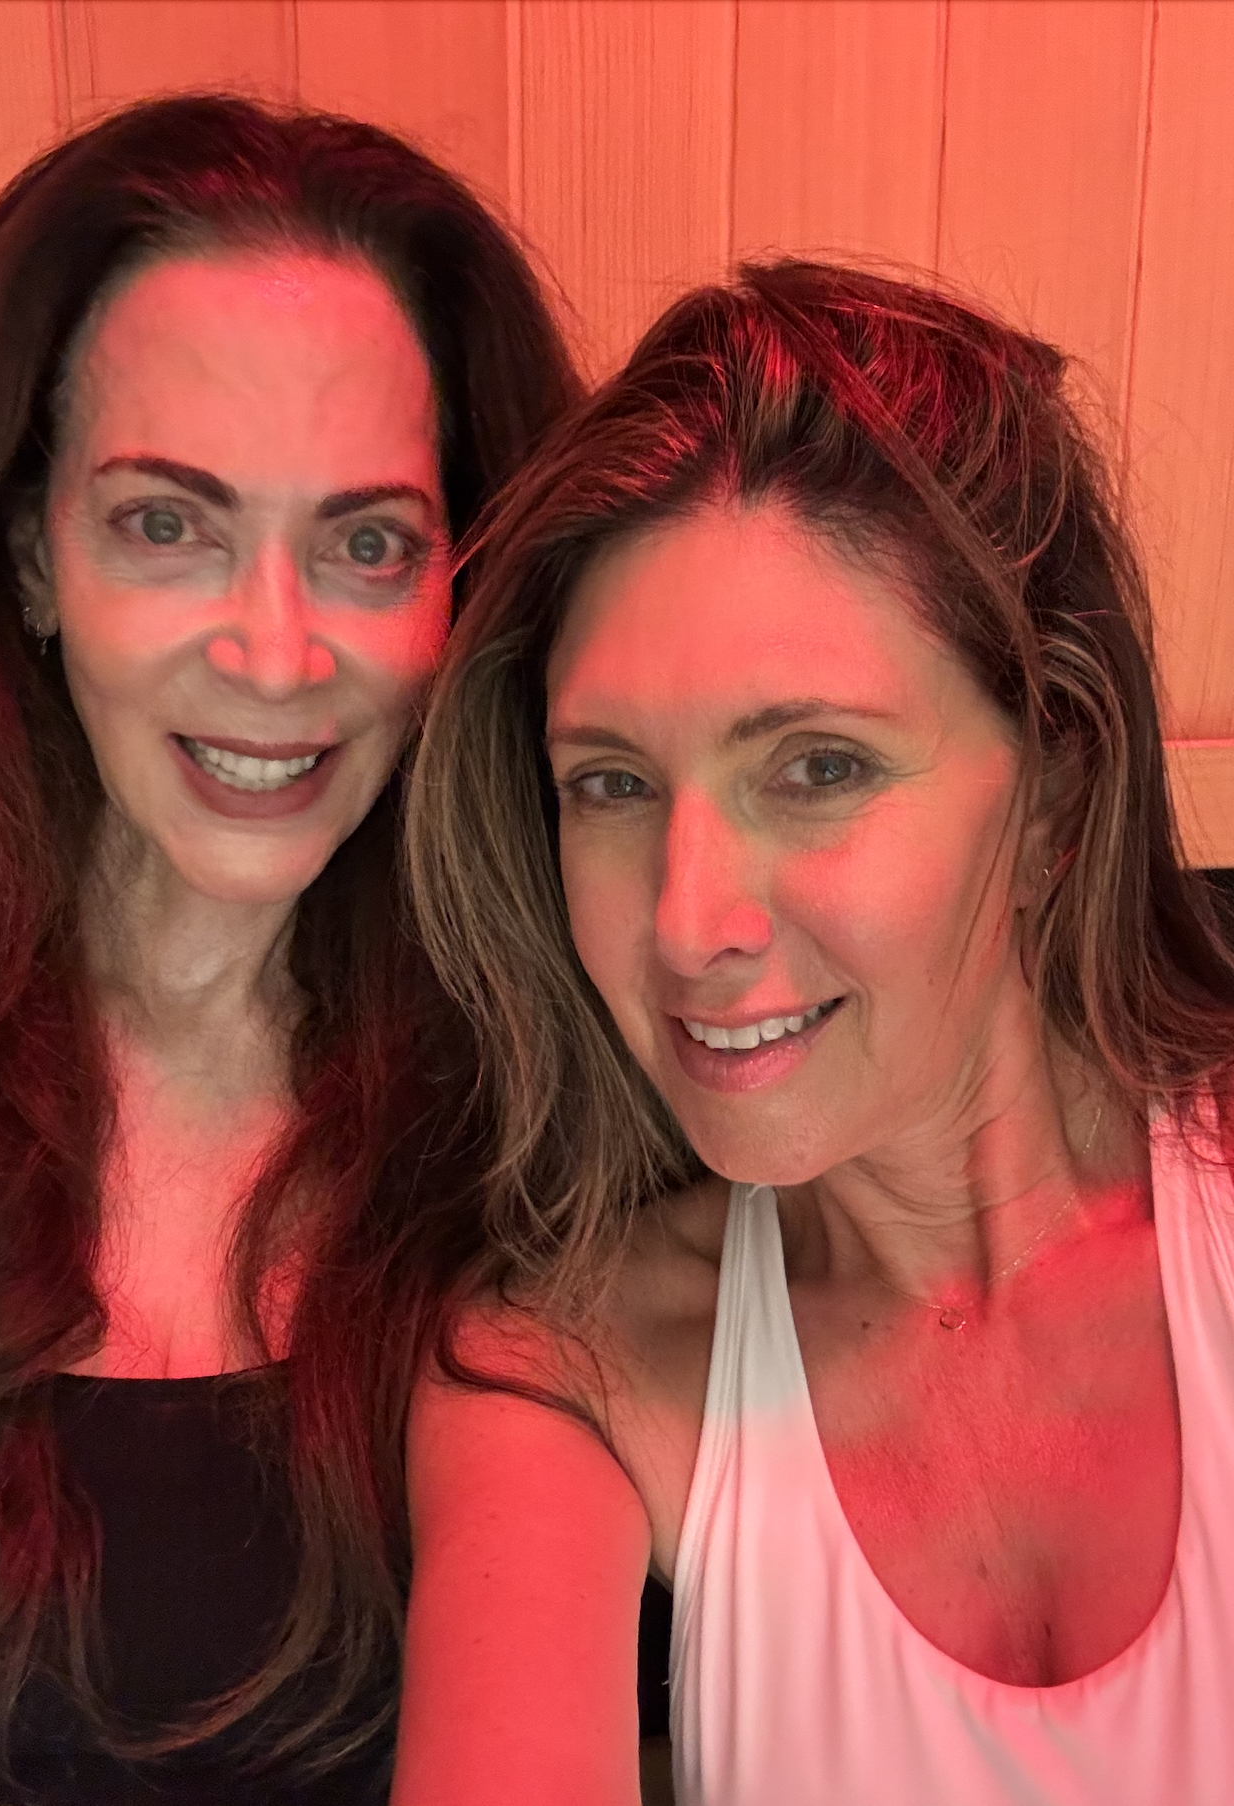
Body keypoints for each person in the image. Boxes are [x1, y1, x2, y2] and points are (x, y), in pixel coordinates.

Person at [398, 259, 1234, 1806]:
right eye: (612, 783)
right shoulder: (560, 1368)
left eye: (818, 767)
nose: (685, 922)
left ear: (1055, 790)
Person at [0, 92, 577, 1805]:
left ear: (461, 590)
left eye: (367, 543)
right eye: (167, 522)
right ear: (33, 553)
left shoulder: (551, 1124)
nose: (277, 654)